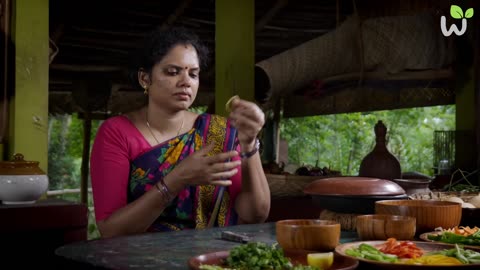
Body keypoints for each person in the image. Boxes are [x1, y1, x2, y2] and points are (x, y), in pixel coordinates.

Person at [90, 26, 270, 238]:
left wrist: (249, 145)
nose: (186, 82)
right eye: (173, 72)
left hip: (209, 258)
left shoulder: (218, 131)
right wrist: (177, 179)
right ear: (144, 79)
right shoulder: (117, 133)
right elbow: (111, 230)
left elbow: (255, 214)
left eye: (193, 74)